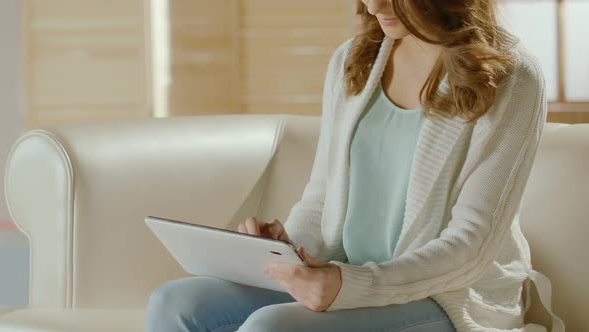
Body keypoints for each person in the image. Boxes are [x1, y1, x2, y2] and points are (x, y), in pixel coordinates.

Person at [145, 0, 564, 331]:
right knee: (176, 303)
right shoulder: (354, 60)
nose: (375, 5)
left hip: (446, 296)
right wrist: (289, 248)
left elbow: (471, 247)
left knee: (273, 327)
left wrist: (350, 286)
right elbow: (320, 198)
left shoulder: (511, 75)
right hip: (344, 278)